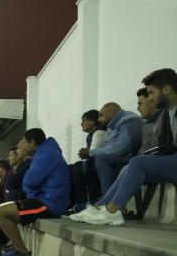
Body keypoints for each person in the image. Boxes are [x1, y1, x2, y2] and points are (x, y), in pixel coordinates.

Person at [73, 68, 177, 225]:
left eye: (151, 92)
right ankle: (99, 207)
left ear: (167, 89)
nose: (150, 98)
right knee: (127, 167)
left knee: (137, 162)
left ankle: (113, 210)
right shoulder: (169, 112)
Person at [0, 128, 70, 256]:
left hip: (49, 204)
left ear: (32, 142)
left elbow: (29, 181)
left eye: (23, 142)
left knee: (0, 212)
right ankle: (18, 249)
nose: (20, 146)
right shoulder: (45, 152)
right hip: (45, 200)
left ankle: (21, 252)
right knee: (1, 210)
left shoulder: (46, 154)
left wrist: (30, 194)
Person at [87, 102, 143, 195]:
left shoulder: (130, 120)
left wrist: (92, 152)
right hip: (121, 159)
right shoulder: (111, 128)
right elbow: (107, 148)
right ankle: (96, 201)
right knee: (86, 165)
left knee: (102, 159)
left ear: (111, 112)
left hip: (133, 160)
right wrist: (93, 153)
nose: (99, 119)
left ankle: (107, 202)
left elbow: (121, 148)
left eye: (101, 115)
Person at [69, 110, 106, 212]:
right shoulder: (90, 136)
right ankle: (77, 203)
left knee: (81, 166)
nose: (81, 124)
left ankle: (85, 203)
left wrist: (86, 152)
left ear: (93, 121)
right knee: (72, 168)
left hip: (102, 163)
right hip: (94, 161)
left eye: (84, 120)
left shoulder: (100, 132)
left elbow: (95, 152)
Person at [5, 138, 33, 202]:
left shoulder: (31, 163)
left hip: (24, 203)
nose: (17, 151)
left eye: (19, 148)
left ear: (26, 148)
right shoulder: (22, 165)